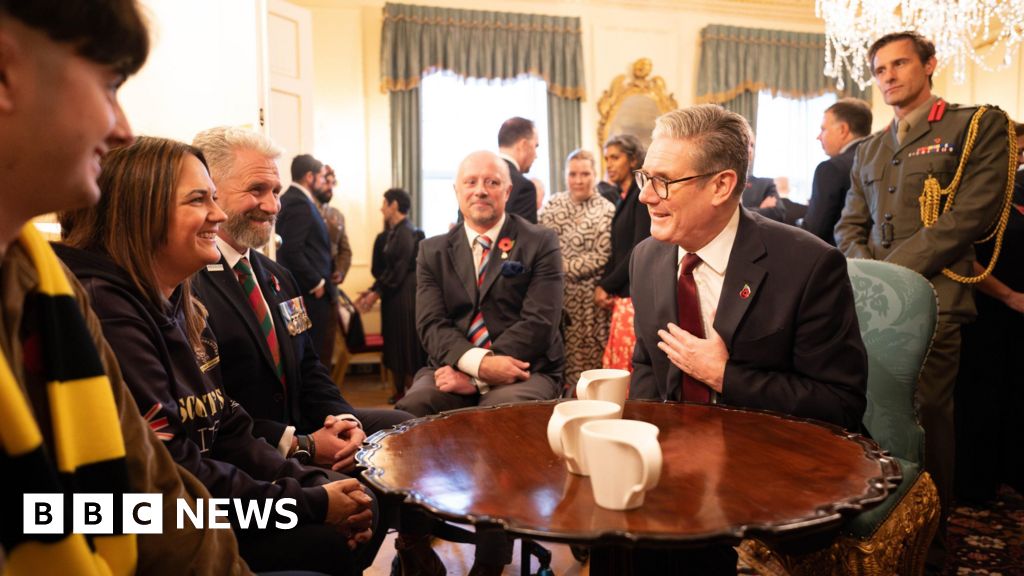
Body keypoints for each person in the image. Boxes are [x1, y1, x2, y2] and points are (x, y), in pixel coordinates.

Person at [0, 2, 251, 574]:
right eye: (109, 86)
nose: (122, 129)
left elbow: (148, 493)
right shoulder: (95, 295)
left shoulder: (48, 283)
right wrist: (300, 502)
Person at [57, 137, 376, 576]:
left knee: (354, 509)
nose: (219, 215)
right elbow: (173, 475)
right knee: (327, 545)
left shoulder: (174, 300)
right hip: (143, 524)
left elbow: (225, 425)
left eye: (214, 198)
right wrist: (311, 503)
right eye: (198, 200)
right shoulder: (107, 308)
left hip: (202, 503)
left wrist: (313, 485)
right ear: (140, 212)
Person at [628, 104, 867, 573]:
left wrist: (724, 374)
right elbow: (646, 366)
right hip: (675, 460)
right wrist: (642, 444)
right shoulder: (647, 258)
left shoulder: (808, 265)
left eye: (664, 181)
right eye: (645, 177)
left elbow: (841, 404)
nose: (646, 197)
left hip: (775, 464)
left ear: (722, 185)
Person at [834, 32, 1014, 564]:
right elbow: (850, 223)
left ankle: (928, 540)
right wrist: (868, 280)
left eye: (899, 64)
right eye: (879, 68)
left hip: (933, 301)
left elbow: (970, 217)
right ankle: (875, 520)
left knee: (924, 416)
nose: (887, 75)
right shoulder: (869, 147)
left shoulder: (974, 125)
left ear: (930, 64)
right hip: (868, 305)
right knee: (869, 414)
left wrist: (888, 278)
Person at [190, 126, 413, 470]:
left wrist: (344, 421)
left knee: (404, 427)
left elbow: (309, 366)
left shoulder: (278, 276)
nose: (272, 205)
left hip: (308, 423)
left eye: (276, 191)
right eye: (257, 190)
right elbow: (211, 411)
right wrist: (300, 445)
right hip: (249, 453)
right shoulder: (187, 285)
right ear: (211, 192)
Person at [954, 121, 1024, 502]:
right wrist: (1009, 295)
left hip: (1015, 318)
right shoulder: (970, 196)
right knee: (980, 400)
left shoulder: (1016, 190)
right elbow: (965, 258)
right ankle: (974, 486)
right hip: (983, 310)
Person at [539, 149, 615, 389]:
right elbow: (540, 245)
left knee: (591, 364)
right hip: (556, 299)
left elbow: (603, 255)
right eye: (573, 174)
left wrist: (561, 265)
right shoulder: (552, 205)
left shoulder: (607, 210)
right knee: (557, 361)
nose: (578, 180)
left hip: (590, 302)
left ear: (595, 175)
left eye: (585, 174)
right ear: (565, 175)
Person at [355, 188, 426, 404]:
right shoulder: (396, 231)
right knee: (396, 343)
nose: (381, 208)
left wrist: (375, 294)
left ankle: (411, 396)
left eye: (384, 203)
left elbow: (398, 269)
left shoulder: (406, 231)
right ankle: (401, 393)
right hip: (395, 295)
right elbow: (389, 270)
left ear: (394, 205)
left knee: (405, 346)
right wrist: (375, 290)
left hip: (405, 297)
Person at [277, 153, 338, 368]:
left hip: (304, 293)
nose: (324, 181)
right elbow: (291, 249)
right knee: (313, 355)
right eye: (321, 177)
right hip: (308, 295)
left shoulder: (295, 199)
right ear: (310, 176)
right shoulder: (299, 203)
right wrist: (316, 282)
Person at [596, 134, 650, 370]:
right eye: (607, 158)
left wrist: (606, 285)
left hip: (635, 295)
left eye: (615, 157)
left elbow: (639, 249)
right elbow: (618, 249)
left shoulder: (642, 196)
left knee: (628, 371)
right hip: (624, 294)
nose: (609, 164)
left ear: (633, 159)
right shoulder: (623, 198)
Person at [803, 98, 873, 245]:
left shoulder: (830, 169)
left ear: (843, 130)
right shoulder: (881, 159)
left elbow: (814, 232)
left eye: (823, 129)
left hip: (841, 259)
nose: (818, 137)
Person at [497, 116, 541, 223]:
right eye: (535, 146)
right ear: (524, 145)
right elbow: (526, 238)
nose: (536, 155)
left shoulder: (472, 181)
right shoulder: (523, 187)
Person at [741, 136, 786, 222]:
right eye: (745, 144)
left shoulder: (765, 184)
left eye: (752, 145)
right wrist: (760, 210)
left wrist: (743, 212)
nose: (749, 150)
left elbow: (779, 214)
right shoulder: (718, 180)